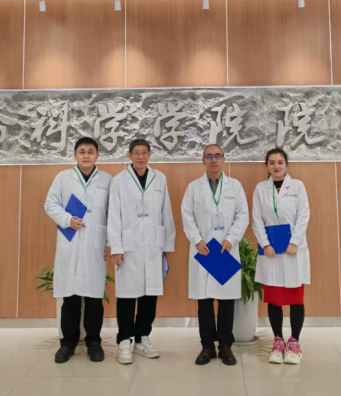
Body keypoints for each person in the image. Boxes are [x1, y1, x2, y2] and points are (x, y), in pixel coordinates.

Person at [43, 137, 113, 364]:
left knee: (94, 298)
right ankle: (68, 344)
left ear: (97, 155)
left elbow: (114, 213)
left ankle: (94, 342)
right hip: (70, 242)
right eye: (82, 151)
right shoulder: (63, 178)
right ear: (75, 155)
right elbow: (50, 204)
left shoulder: (107, 180)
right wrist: (67, 219)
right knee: (70, 297)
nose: (86, 155)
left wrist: (111, 241)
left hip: (96, 243)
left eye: (90, 151)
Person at [107, 138, 175, 365]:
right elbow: (113, 215)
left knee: (149, 294)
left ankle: (142, 337)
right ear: (129, 155)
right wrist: (116, 247)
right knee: (127, 294)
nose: (140, 157)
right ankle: (124, 340)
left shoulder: (159, 178)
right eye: (136, 153)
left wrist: (167, 245)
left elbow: (166, 212)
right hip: (128, 246)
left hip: (154, 245)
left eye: (144, 152)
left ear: (150, 154)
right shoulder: (119, 181)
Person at [181, 144, 249, 366]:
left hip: (225, 249)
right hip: (204, 250)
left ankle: (226, 346)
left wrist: (231, 238)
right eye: (208, 156)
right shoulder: (193, 187)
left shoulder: (235, 186)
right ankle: (207, 346)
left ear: (223, 159)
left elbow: (242, 216)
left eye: (217, 156)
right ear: (203, 160)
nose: (213, 160)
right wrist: (197, 239)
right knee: (205, 302)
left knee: (227, 301)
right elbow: (187, 215)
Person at [251, 148, 310, 365]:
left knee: (296, 298)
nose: (276, 166)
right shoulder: (260, 189)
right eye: (272, 162)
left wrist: (294, 242)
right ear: (266, 166)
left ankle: (294, 342)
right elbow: (257, 219)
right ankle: (278, 341)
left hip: (293, 251)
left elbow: (304, 215)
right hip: (271, 252)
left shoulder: (297, 186)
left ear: (286, 165)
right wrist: (265, 244)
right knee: (274, 298)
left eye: (280, 162)